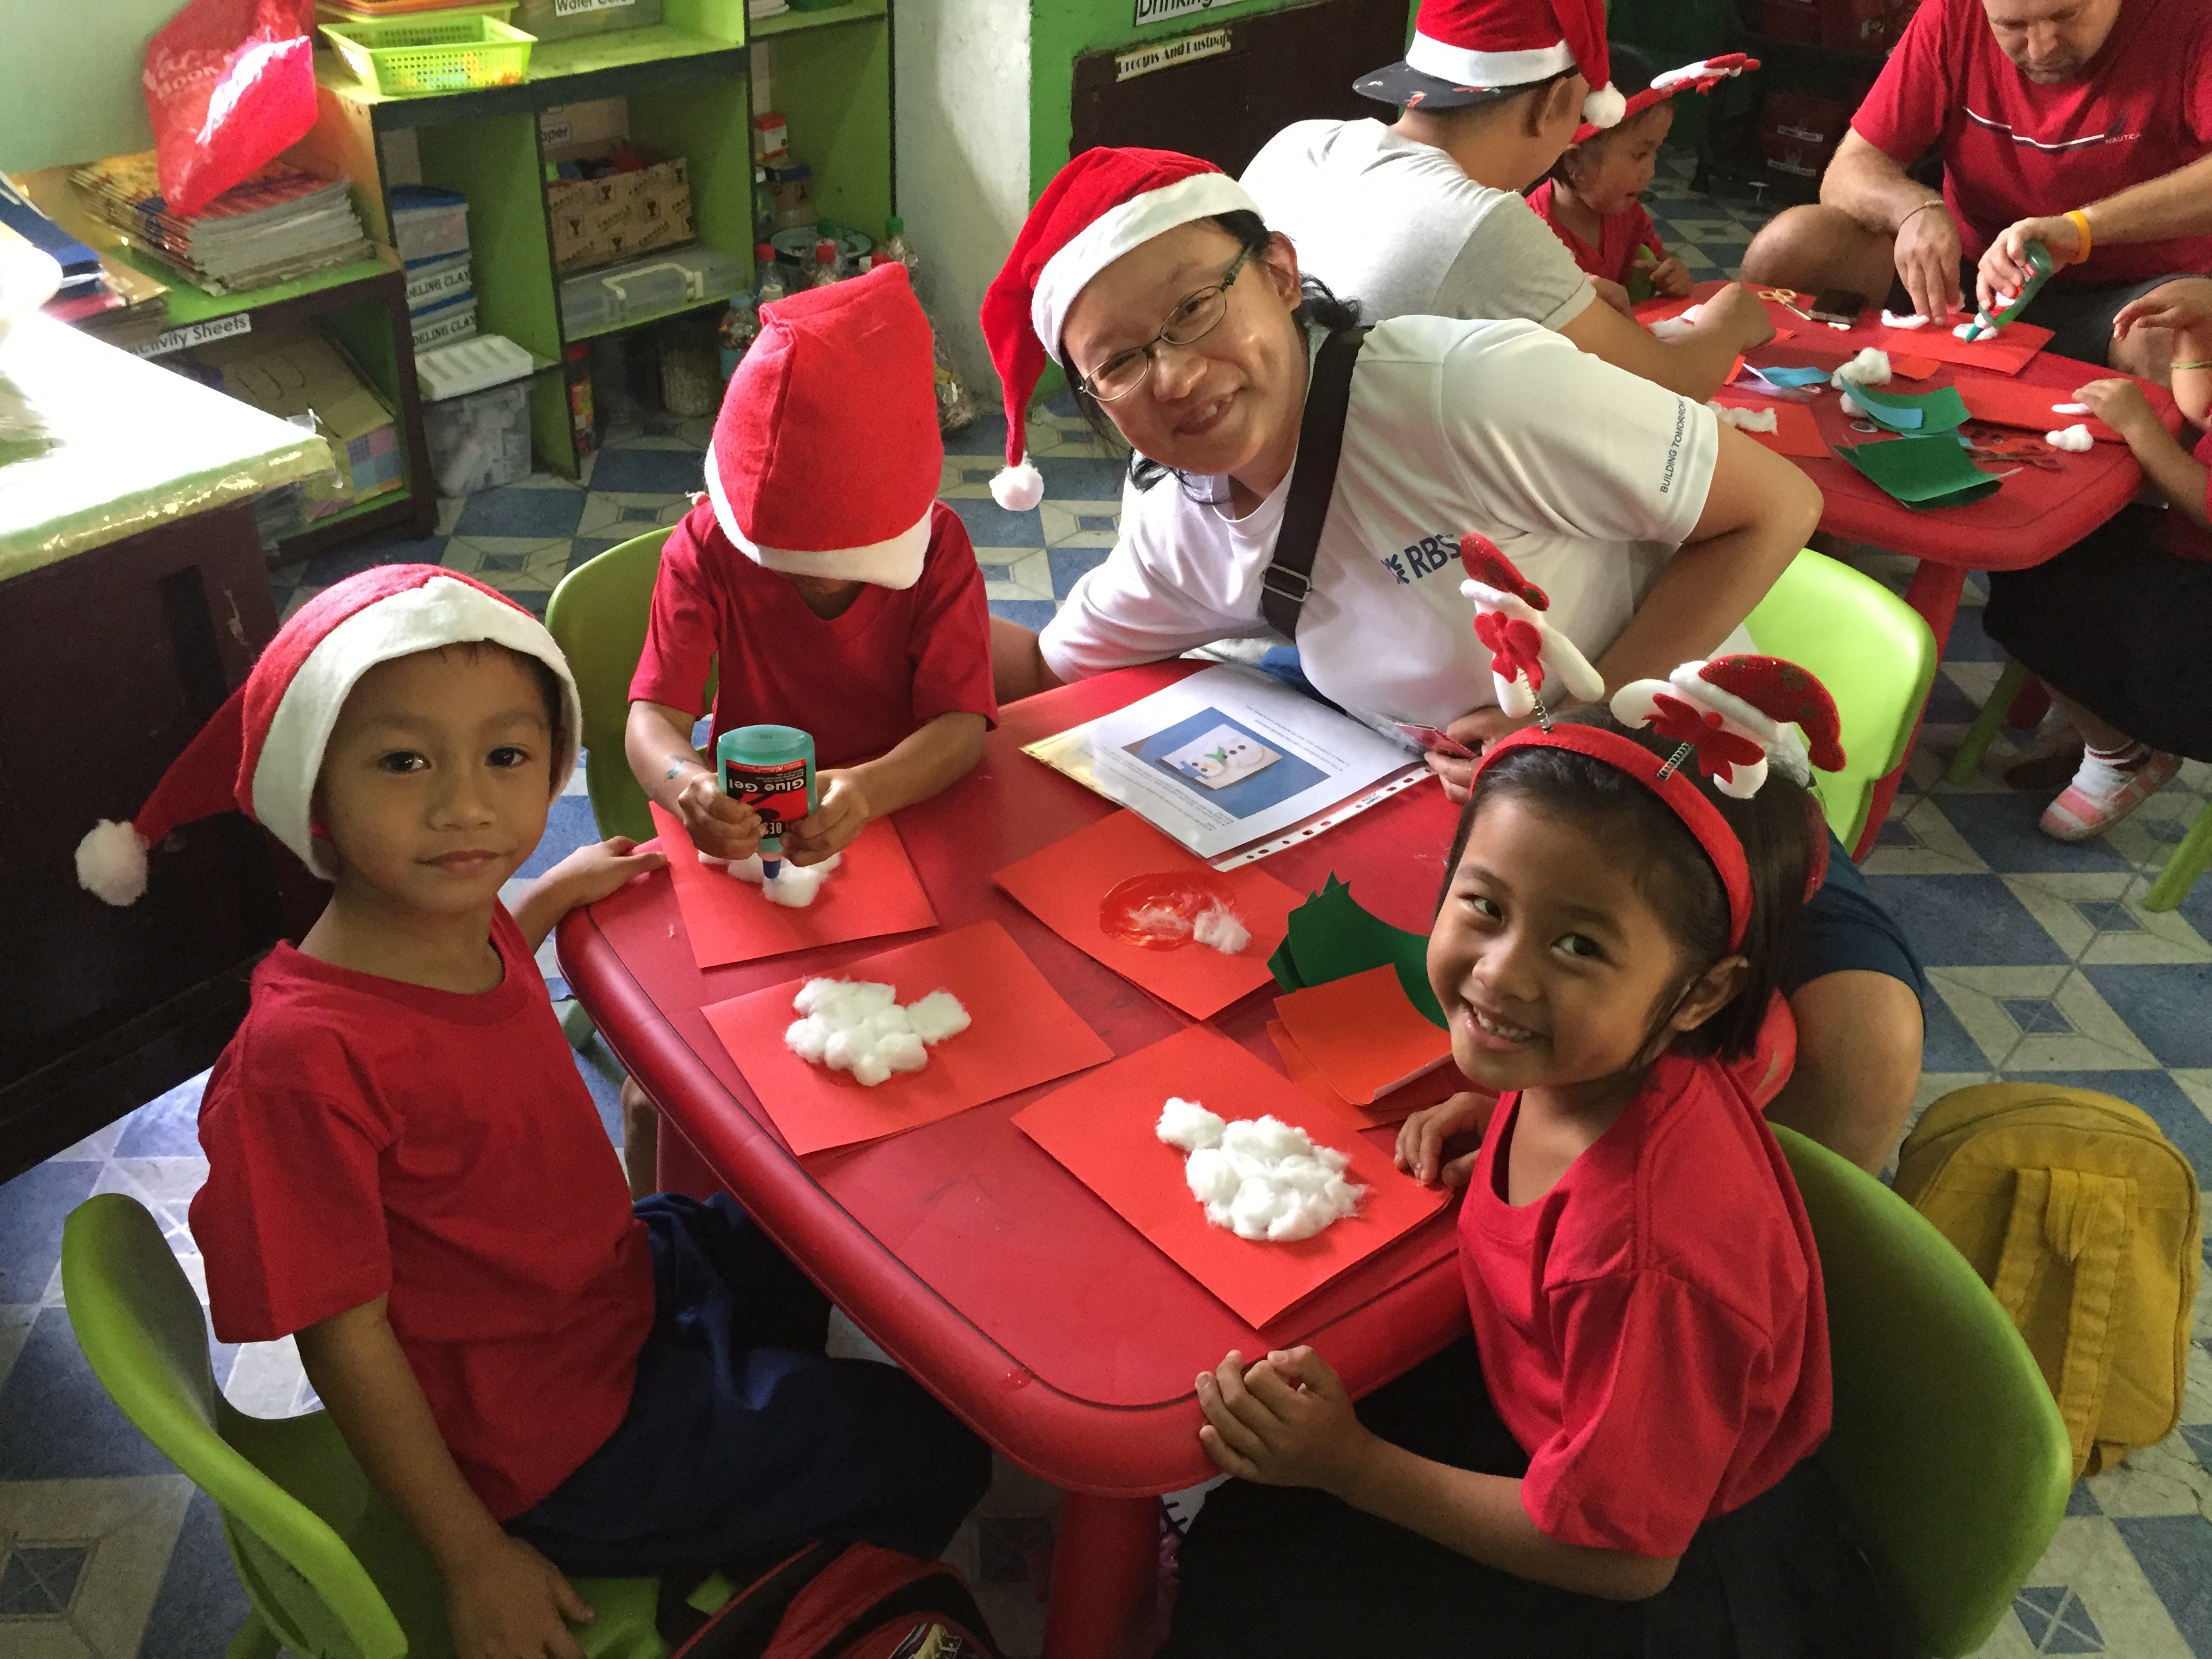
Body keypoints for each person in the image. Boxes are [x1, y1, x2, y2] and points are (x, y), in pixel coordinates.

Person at [75, 566, 989, 1659]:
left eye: (506, 757)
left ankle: (764, 1446)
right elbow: (341, 1337)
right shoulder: (298, 1067)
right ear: (311, 790)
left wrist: (551, 893)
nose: (466, 806)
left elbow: (481, 957)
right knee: (937, 1448)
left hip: (604, 1288)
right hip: (553, 1445)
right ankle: (782, 1596)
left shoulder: (445, 914)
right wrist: (471, 1555)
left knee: (833, 1242)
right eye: (403, 761)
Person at [981, 145, 1924, 1174]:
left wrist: (1572, 724)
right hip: (1457, 819)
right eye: (1119, 363)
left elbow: (1777, 506)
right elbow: (1047, 671)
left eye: (1196, 308)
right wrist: (884, 571)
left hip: (1686, 771)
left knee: (1861, 1046)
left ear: (1281, 274)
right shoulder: (1183, 521)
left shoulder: (1467, 393)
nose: (1175, 375)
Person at [1164, 684, 1893, 1658]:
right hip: (1559, 1425)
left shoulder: (1647, 1258)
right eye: (1485, 906)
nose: (1501, 974)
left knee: (1261, 1605)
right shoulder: (1600, 1062)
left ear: (1699, 995)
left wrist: (1355, 1467)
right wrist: (1509, 1102)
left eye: (1578, 946)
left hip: (1649, 1584)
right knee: (1250, 1532)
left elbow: (1626, 1559)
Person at [621, 262, 997, 1192]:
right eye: (788, 562)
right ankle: (670, 1248)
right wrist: (686, 785)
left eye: (851, 564)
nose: (819, 582)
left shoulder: (941, 551)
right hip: (755, 852)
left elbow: (960, 728)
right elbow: (652, 720)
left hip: (910, 823)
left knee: (944, 1065)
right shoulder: (706, 547)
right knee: (670, 1095)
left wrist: (869, 789)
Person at [1240, 0, 1771, 402]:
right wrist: (1730, 316)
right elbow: (1670, 385)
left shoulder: (1297, 143)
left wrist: (1559, 299)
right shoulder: (1484, 223)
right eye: (1580, 108)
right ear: (1553, 104)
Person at [1740, 0, 2212, 380]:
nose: (2040, 49)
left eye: (2065, 16)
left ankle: (2154, 476)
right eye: (2012, 26)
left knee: (2169, 340)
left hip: (2131, 289)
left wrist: (2081, 230)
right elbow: (1850, 169)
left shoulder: (2192, 18)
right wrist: (1915, 210)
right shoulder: (1952, 13)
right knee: (1792, 247)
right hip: (1965, 278)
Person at [1982, 277, 2212, 838]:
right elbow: (2204, 411)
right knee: (2044, 547)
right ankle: (2109, 728)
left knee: (2046, 592)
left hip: (2198, 622)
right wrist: (2195, 337)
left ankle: (2122, 752)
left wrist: (2140, 429)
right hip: (2180, 553)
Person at [1525, 45, 1692, 299]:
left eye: (1655, 152)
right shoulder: (1533, 236)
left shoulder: (1628, 214)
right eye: (1639, 155)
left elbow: (1658, 257)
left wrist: (1673, 274)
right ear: (1574, 161)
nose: (1650, 172)